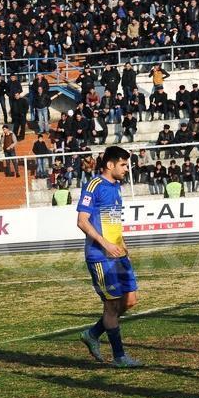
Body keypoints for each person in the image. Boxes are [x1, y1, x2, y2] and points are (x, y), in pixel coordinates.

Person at [77, 146, 142, 368]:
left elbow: (113, 223)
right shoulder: (94, 185)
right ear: (109, 164)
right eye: (123, 165)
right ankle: (119, 357)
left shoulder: (116, 188)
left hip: (118, 254)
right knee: (112, 306)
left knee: (130, 300)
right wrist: (105, 244)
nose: (126, 169)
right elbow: (82, 221)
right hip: (100, 256)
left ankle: (93, 333)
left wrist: (123, 246)